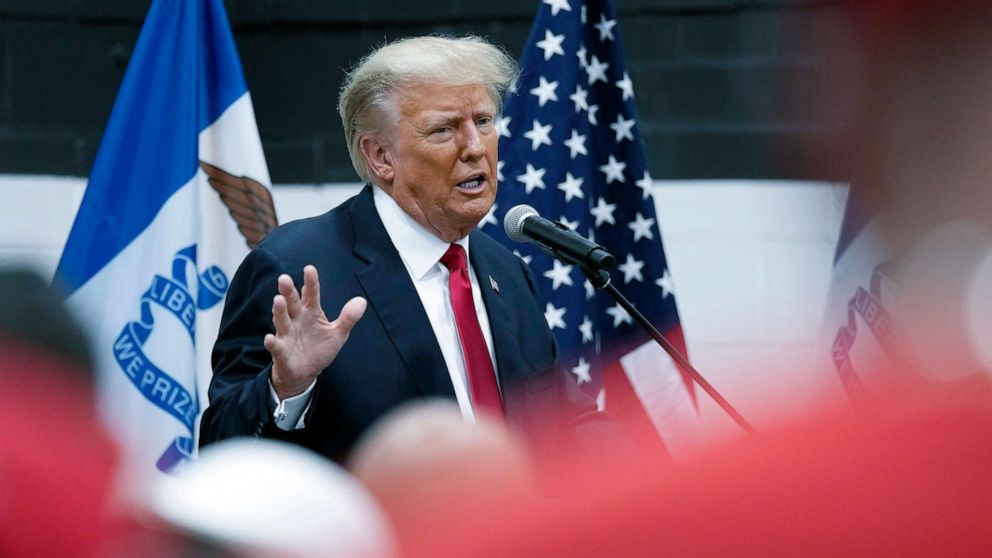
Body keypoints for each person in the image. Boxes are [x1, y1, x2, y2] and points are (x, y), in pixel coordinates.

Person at [199, 35, 605, 464]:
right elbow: (222, 451)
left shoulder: (504, 270)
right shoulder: (297, 269)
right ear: (380, 157)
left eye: (484, 121)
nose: (474, 147)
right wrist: (286, 388)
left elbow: (560, 417)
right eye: (443, 129)